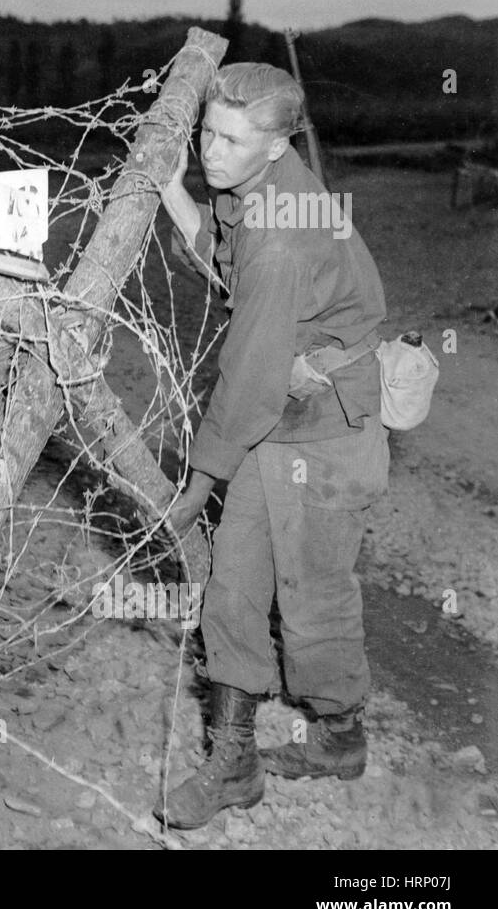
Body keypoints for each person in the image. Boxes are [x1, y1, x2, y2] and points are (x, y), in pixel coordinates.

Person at [153, 63, 389, 831]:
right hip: (277, 415)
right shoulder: (255, 180)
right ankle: (234, 761)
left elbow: (250, 371)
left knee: (313, 594)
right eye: (205, 133)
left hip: (326, 426)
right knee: (235, 589)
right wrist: (168, 187)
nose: (210, 152)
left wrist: (198, 481)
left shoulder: (285, 231)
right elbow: (228, 268)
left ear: (279, 142)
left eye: (228, 140)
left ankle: (339, 735)